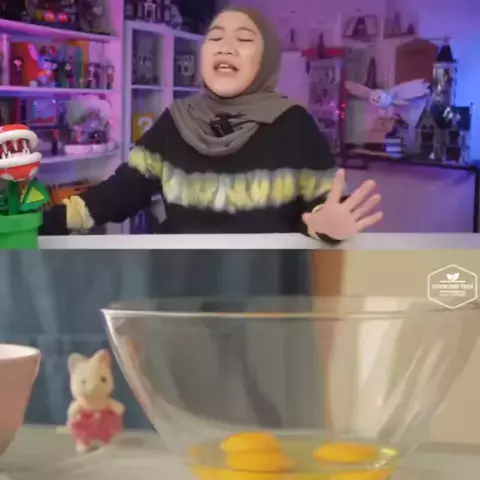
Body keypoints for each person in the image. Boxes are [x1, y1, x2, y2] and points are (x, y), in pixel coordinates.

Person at [41, 5, 383, 240]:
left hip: (269, 300)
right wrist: (47, 222)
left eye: (244, 39)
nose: (225, 48)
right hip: (184, 295)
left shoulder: (294, 124)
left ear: (267, 59)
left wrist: (326, 225)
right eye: (215, 38)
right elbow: (119, 193)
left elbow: (326, 207)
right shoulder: (176, 121)